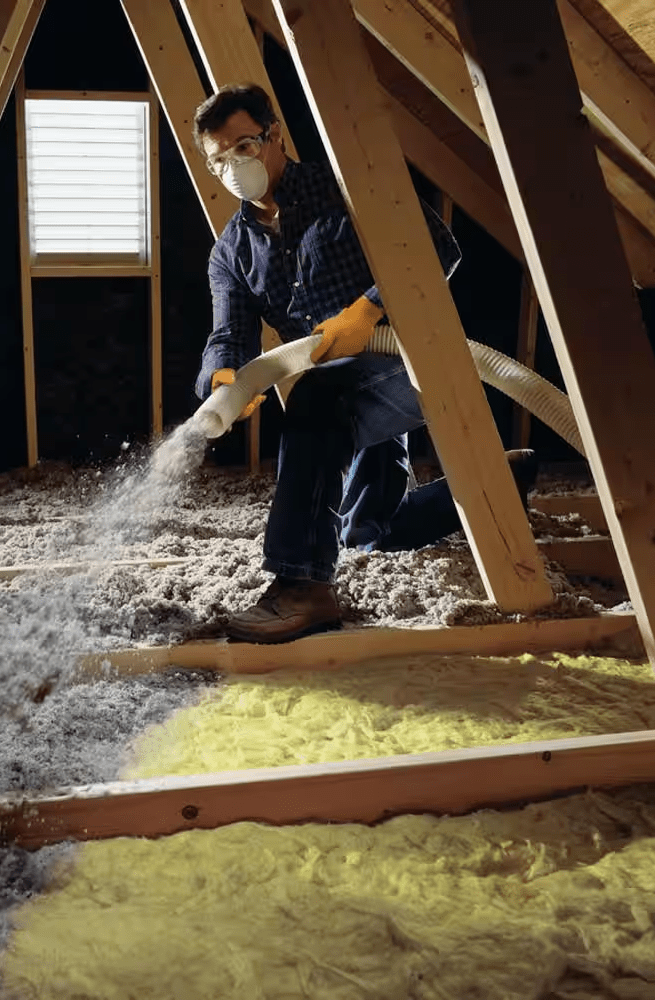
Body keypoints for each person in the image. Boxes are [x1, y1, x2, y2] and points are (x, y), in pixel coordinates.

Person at [193, 83, 536, 644]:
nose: (234, 165)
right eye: (220, 159)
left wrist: (368, 309)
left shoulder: (343, 187)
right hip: (345, 386)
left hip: (411, 361)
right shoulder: (230, 251)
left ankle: (303, 587)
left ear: (274, 136)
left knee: (314, 401)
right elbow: (227, 333)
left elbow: (438, 247)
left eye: (244, 147)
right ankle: (501, 477)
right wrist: (223, 379)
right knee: (367, 532)